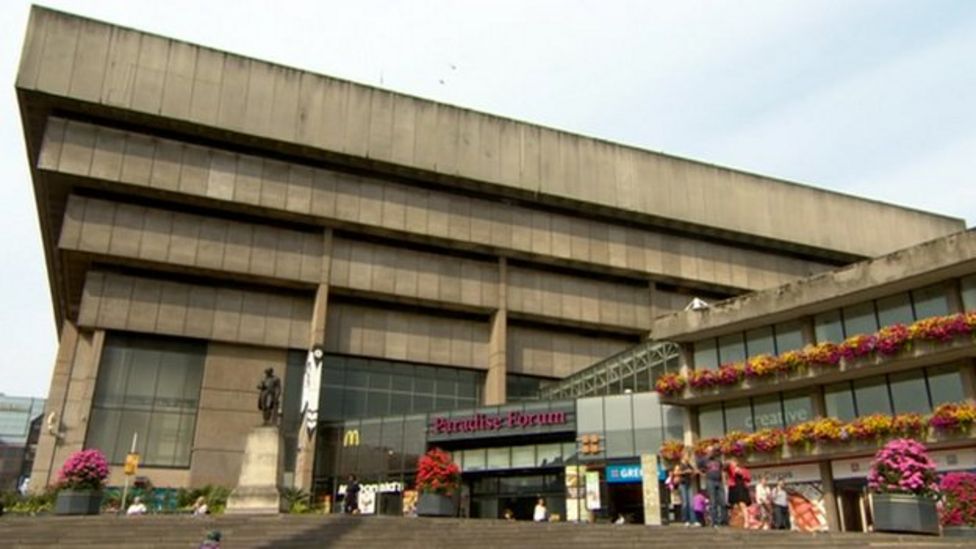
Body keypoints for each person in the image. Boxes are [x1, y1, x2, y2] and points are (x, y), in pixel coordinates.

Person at [697, 445, 726, 527]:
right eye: (710, 451)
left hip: (719, 481)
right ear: (707, 452)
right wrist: (702, 474)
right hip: (710, 481)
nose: (711, 452)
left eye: (712, 451)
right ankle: (714, 521)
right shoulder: (703, 460)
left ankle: (723, 520)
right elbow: (698, 468)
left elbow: (722, 469)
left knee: (722, 501)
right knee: (713, 501)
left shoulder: (718, 460)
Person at [726, 458, 752, 527]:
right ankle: (735, 521)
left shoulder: (743, 470)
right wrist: (728, 462)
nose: (732, 464)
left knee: (742, 504)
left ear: (736, 462)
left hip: (741, 487)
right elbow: (725, 467)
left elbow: (749, 478)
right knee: (734, 505)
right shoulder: (730, 469)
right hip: (733, 488)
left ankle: (746, 522)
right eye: (731, 462)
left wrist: (740, 472)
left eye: (733, 462)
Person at [675, 451, 697, 526]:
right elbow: (676, 473)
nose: (688, 458)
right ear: (683, 456)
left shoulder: (689, 464)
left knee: (691, 503)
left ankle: (693, 520)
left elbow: (693, 471)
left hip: (689, 483)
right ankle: (685, 520)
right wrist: (685, 472)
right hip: (682, 484)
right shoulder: (679, 464)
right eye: (687, 456)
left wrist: (693, 473)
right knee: (685, 503)